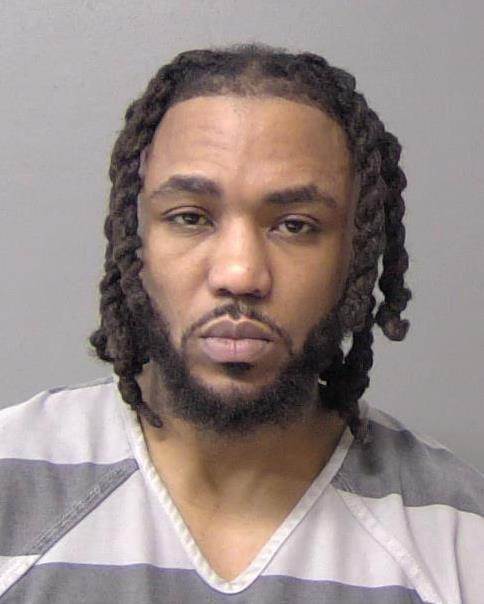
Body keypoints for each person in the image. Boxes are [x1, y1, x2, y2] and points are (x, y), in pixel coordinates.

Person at [0, 44, 482, 603]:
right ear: (137, 244)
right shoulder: (14, 484)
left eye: (296, 225)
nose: (240, 274)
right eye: (189, 217)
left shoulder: (456, 534)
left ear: (355, 258)